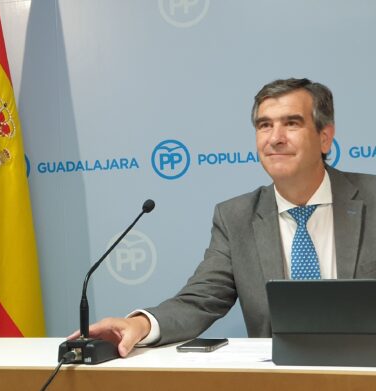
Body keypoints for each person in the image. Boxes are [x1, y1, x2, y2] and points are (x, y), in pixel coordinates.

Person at [75, 78, 376, 356]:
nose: (275, 138)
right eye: (264, 125)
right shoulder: (236, 217)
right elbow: (200, 300)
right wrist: (140, 324)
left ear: (325, 138)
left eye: (292, 123)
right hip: (281, 381)